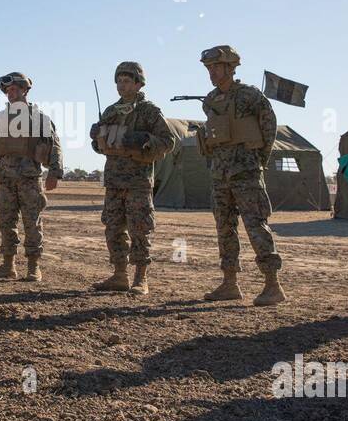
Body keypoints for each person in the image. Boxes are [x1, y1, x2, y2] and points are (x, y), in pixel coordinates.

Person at [197, 45, 286, 305]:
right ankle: (230, 283)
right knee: (224, 229)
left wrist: (258, 160)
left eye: (215, 67)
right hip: (220, 174)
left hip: (246, 172)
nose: (212, 72)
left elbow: (269, 126)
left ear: (230, 67)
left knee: (256, 227)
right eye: (208, 68)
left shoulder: (249, 96)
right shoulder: (211, 100)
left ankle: (273, 285)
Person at [90, 61, 176, 295]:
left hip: (138, 181)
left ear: (138, 83)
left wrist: (144, 139)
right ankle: (119, 275)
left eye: (126, 81)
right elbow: (101, 148)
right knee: (113, 228)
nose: (121, 85)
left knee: (140, 229)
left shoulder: (149, 111)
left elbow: (168, 142)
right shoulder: (110, 111)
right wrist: (97, 138)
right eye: (118, 81)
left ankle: (141, 278)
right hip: (114, 181)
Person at [0, 72, 63, 282]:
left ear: (25, 90)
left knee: (32, 222)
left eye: (14, 89)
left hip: (30, 177)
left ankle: (33, 267)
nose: (11, 94)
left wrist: (55, 173)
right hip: (5, 178)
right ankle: (8, 265)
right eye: (8, 91)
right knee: (6, 220)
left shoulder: (40, 119)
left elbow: (54, 146)